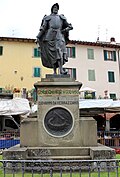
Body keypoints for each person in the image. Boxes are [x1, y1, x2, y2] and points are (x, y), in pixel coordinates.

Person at [36, 3, 73, 75]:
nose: (56, 9)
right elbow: (43, 28)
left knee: (58, 51)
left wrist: (64, 30)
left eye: (57, 8)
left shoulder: (61, 17)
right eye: (55, 7)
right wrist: (38, 37)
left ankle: (61, 70)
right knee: (52, 55)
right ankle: (55, 71)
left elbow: (70, 26)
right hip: (49, 37)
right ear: (52, 9)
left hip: (59, 36)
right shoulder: (47, 18)